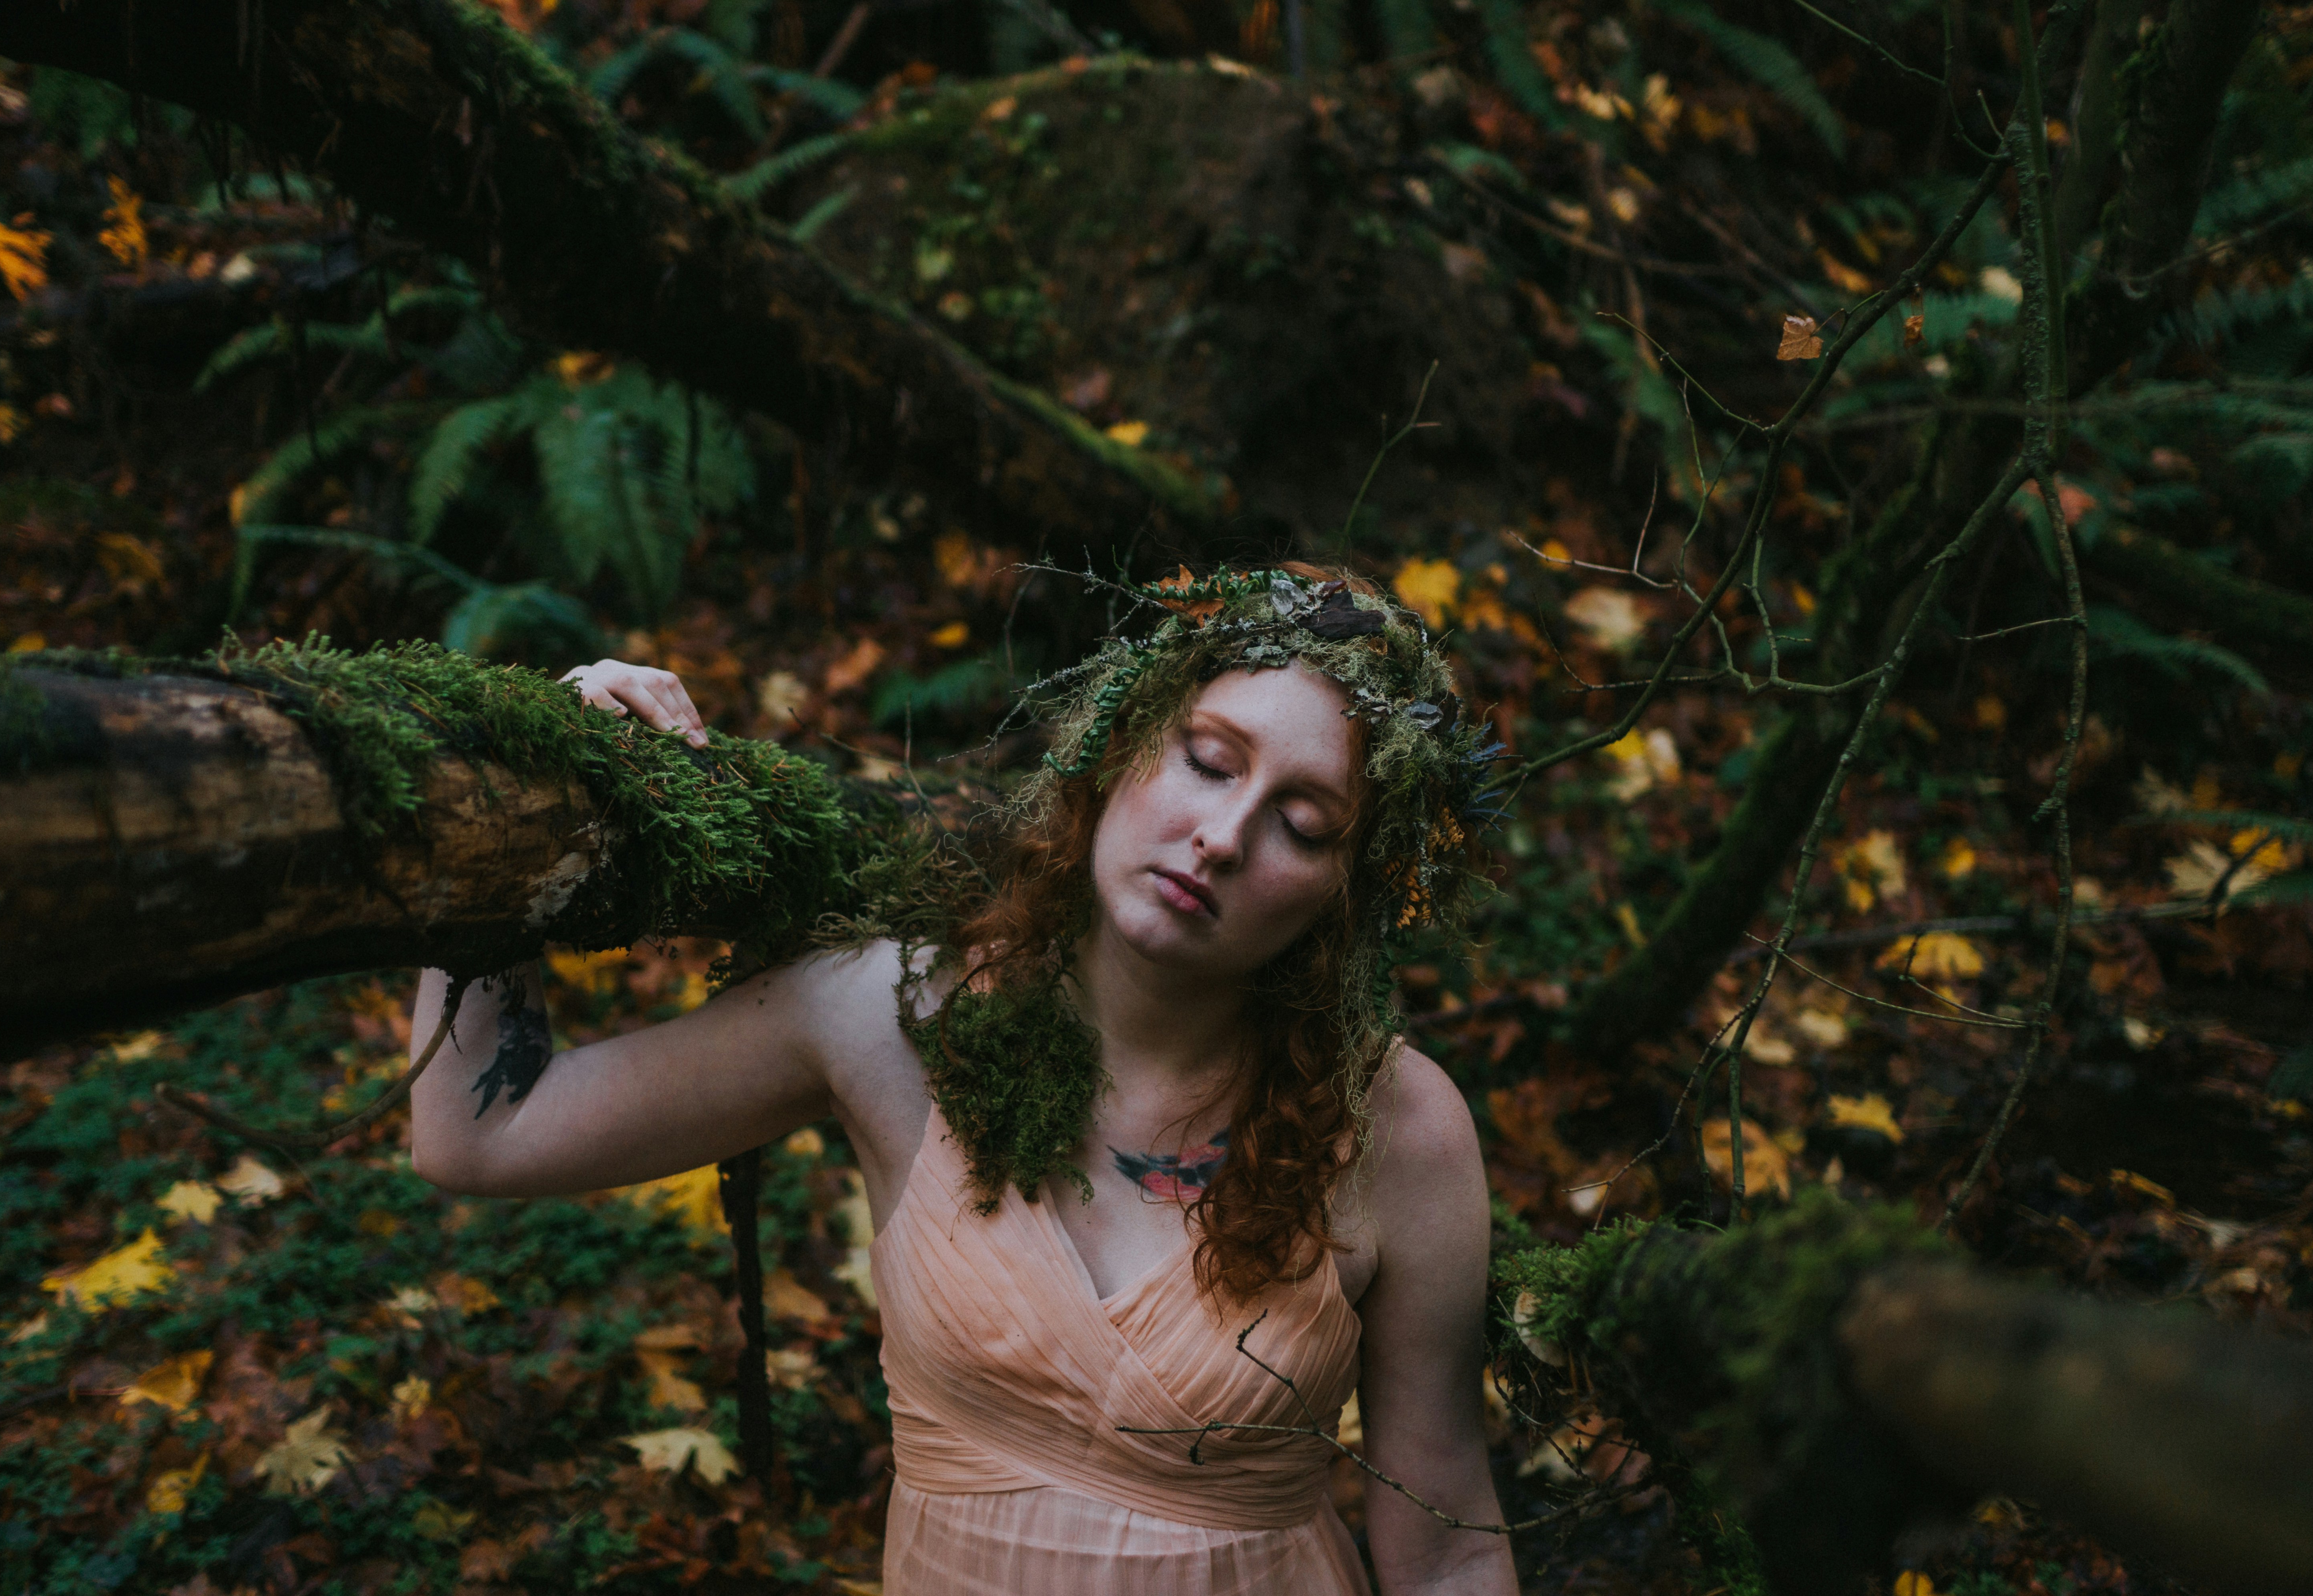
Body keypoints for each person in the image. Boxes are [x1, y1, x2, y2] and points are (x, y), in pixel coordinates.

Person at [407, 563, 1518, 1595]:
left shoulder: (1394, 1127)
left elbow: (1444, 1542)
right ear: (1123, 745)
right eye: (1210, 761)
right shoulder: (891, 1013)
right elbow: (481, 1137)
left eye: (1303, 824)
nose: (1223, 836)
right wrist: (531, 772)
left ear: (1344, 896)